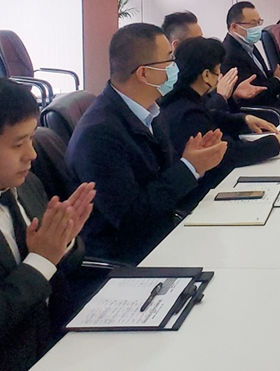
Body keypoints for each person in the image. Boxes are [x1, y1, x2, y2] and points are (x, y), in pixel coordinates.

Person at [0, 78, 95, 371]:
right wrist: (41, 261)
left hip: (61, 343)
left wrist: (63, 242)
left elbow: (60, 271)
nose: (32, 154)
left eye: (31, 138)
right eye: (18, 144)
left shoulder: (25, 182)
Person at [67, 23, 227, 263]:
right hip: (129, 256)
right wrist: (189, 168)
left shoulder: (150, 111)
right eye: (169, 59)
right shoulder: (99, 135)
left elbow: (161, 181)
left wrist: (194, 162)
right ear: (144, 73)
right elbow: (131, 217)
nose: (175, 67)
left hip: (164, 232)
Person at [159, 37, 280, 198]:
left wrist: (244, 119)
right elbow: (229, 154)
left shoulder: (183, 98)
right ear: (206, 75)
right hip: (204, 192)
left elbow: (211, 115)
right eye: (218, 71)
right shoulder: (187, 113)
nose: (220, 76)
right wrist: (276, 142)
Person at [162, 10, 265, 108]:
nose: (203, 44)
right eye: (198, 40)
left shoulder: (199, 69)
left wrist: (234, 96)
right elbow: (197, 114)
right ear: (176, 46)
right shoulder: (168, 82)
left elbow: (213, 110)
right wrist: (220, 97)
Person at [221, 1, 280, 117]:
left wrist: (279, 75)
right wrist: (279, 79)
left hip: (276, 104)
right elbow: (254, 95)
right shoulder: (229, 55)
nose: (257, 28)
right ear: (234, 27)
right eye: (253, 23)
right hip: (262, 114)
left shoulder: (247, 45)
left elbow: (260, 76)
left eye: (259, 22)